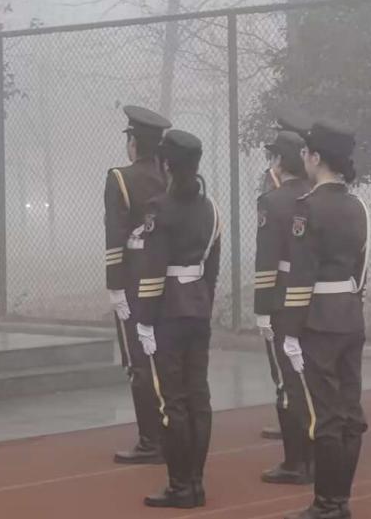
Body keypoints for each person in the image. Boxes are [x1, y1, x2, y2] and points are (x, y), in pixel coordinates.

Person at [281, 119, 370, 519]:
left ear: (317, 158)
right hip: (349, 313)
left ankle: (326, 503)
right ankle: (341, 500)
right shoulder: (358, 206)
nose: (304, 158)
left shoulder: (307, 207)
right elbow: (361, 268)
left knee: (325, 415)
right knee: (350, 412)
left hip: (317, 319)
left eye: (306, 152)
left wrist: (290, 331)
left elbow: (301, 274)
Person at [130, 129, 222, 509]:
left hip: (167, 311)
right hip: (197, 307)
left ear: (166, 164)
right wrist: (202, 300)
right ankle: (196, 482)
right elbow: (212, 269)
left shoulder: (159, 207)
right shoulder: (210, 209)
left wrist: (143, 319)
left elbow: (153, 268)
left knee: (174, 401)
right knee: (199, 397)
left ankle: (180, 485)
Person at [105, 105, 173, 465]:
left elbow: (115, 236)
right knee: (164, 356)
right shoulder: (171, 178)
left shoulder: (120, 179)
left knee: (138, 361)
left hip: (134, 281)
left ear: (133, 142)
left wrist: (114, 286)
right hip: (169, 280)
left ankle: (151, 440)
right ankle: (172, 432)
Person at [255, 130, 314, 485]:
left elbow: (267, 260)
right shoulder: (316, 195)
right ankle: (314, 456)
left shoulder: (272, 202)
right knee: (311, 377)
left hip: (281, 299)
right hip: (315, 297)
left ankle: (296, 462)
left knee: (286, 380)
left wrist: (262, 308)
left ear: (279, 161)